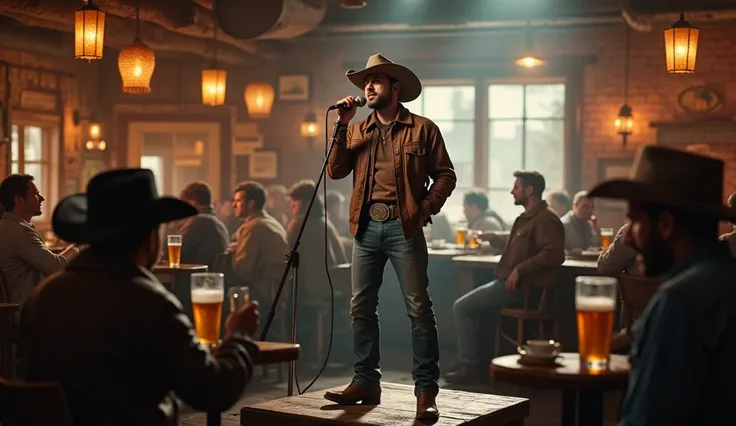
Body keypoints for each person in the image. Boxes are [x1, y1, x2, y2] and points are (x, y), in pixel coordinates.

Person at [20, 169, 261, 426]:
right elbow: (213, 390)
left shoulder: (41, 297)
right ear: (150, 239)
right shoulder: (149, 302)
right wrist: (239, 336)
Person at [324, 53, 457, 420]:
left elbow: (446, 175)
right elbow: (335, 171)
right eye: (365, 82)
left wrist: (425, 208)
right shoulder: (355, 129)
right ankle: (366, 382)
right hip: (365, 227)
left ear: (395, 88)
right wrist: (341, 125)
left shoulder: (423, 128)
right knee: (361, 307)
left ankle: (426, 392)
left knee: (419, 309)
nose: (368, 87)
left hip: (404, 227)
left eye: (376, 81)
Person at [588, 146, 736, 426]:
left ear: (666, 224)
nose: (629, 238)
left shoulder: (678, 301)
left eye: (635, 220)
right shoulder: (725, 280)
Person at [446, 171, 564, 384]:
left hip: (524, 290)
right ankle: (470, 361)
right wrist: (495, 239)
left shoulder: (546, 219)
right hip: (513, 286)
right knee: (469, 305)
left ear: (529, 191)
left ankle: (470, 365)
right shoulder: (529, 217)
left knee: (462, 307)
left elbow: (554, 253)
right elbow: (520, 245)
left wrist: (520, 269)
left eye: (516, 187)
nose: (512, 191)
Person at [0, 174, 78, 313]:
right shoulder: (20, 231)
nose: (42, 198)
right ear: (19, 200)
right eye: (35, 194)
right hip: (28, 312)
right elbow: (56, 266)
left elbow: (43, 256)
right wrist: (78, 246)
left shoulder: (9, 226)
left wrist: (65, 249)